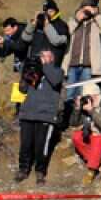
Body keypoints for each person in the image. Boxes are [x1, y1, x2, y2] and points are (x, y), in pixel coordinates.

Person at [16, 49, 64, 185]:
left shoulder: (58, 71)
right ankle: (23, 169)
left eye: (45, 56)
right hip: (28, 113)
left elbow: (55, 81)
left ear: (52, 59)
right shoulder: (34, 70)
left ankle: (40, 171)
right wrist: (25, 73)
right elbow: (22, 89)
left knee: (41, 146)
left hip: (46, 115)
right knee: (25, 144)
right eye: (40, 55)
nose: (40, 58)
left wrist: (45, 65)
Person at [63, 0, 101, 103]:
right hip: (72, 64)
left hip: (88, 65)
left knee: (84, 93)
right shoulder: (73, 21)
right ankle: (69, 115)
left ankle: (82, 116)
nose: (87, 12)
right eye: (85, 9)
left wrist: (96, 14)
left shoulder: (96, 24)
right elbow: (66, 33)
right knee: (70, 93)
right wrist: (77, 19)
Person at [70, 83, 101, 184]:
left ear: (95, 95)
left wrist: (91, 111)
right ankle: (95, 160)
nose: (86, 100)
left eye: (88, 97)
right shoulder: (88, 105)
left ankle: (91, 170)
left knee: (97, 138)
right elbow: (74, 124)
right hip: (95, 139)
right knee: (76, 136)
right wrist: (78, 109)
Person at [21, 0, 69, 65]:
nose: (47, 14)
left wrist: (47, 26)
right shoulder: (39, 23)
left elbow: (56, 41)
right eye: (45, 12)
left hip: (51, 65)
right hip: (34, 62)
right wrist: (32, 23)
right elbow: (25, 38)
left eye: (50, 11)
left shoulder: (62, 25)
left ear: (56, 11)